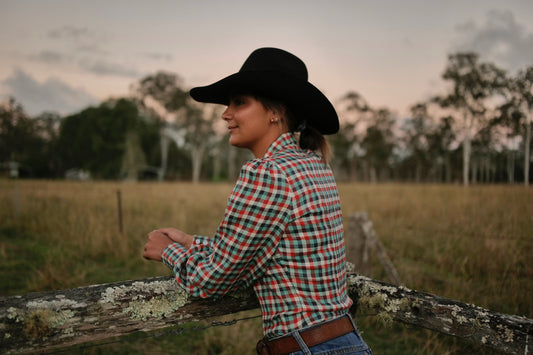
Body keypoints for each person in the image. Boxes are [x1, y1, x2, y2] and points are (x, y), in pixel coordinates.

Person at [143, 47, 372, 355]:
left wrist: (168, 251)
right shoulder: (314, 164)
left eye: (239, 102)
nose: (226, 114)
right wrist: (190, 242)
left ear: (275, 111)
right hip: (346, 341)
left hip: (308, 348)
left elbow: (211, 282)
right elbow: (263, 250)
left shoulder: (267, 172)